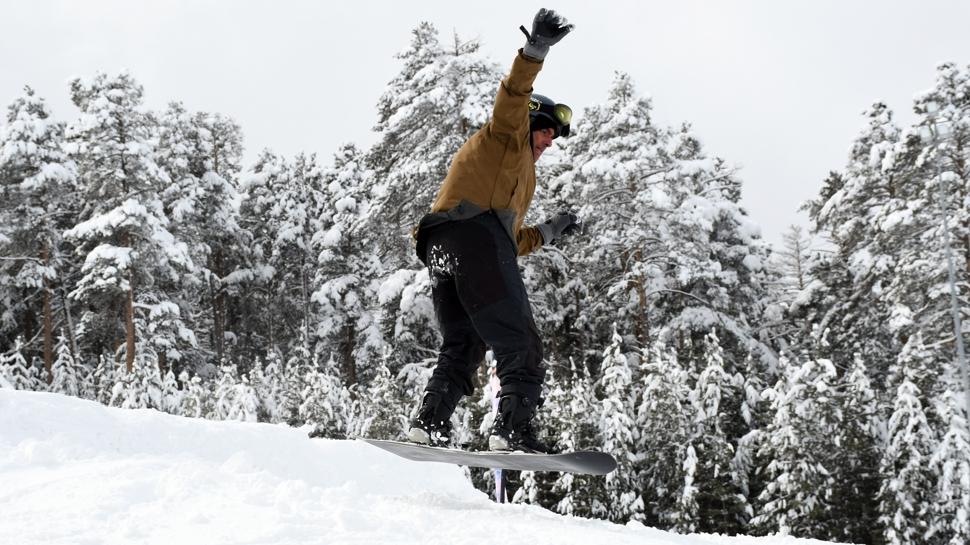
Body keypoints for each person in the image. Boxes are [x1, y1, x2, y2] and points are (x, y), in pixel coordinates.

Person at [407, 8, 579, 453]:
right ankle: (512, 430)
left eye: (553, 138)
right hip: (474, 238)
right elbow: (515, 94)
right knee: (520, 339)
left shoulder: (516, 176)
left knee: (465, 341)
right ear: (529, 123)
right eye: (546, 132)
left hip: (444, 248)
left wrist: (551, 229)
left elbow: (511, 242)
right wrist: (535, 50)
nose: (549, 142)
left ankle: (428, 424)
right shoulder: (505, 135)